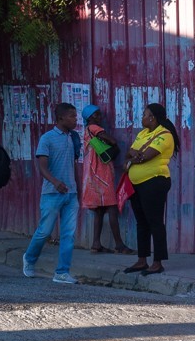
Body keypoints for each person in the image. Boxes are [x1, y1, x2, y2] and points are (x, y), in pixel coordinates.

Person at [23, 102, 81, 284]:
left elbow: (73, 165)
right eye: (72, 116)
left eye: (76, 116)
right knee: (44, 231)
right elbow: (42, 167)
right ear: (61, 117)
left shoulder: (74, 138)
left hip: (71, 194)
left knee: (68, 234)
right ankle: (29, 259)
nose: (75, 119)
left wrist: (76, 188)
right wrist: (56, 182)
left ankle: (62, 272)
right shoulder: (47, 138)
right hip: (51, 193)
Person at [123, 103, 179, 276]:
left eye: (145, 114)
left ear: (152, 117)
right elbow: (129, 152)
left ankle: (157, 262)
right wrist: (135, 155)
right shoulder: (143, 133)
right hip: (137, 184)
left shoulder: (164, 135)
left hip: (154, 182)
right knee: (142, 222)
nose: (142, 117)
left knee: (155, 222)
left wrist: (136, 155)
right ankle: (142, 260)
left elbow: (145, 157)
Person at [80, 104, 132, 255]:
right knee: (112, 208)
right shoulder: (95, 128)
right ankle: (119, 245)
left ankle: (96, 244)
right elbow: (113, 141)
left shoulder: (86, 130)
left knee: (99, 210)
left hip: (92, 173)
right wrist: (112, 142)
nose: (99, 117)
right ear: (89, 118)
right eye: (96, 115)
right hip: (101, 173)